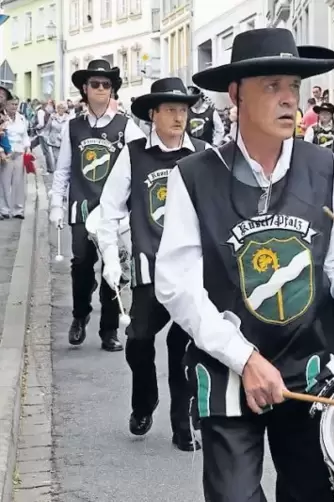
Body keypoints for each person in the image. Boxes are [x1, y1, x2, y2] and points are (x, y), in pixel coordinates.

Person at [154, 28, 334, 501]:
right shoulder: (192, 177)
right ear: (236, 95)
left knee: (311, 495)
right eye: (272, 86)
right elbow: (177, 287)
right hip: (231, 370)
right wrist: (245, 359)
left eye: (293, 87)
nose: (289, 99)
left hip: (315, 371)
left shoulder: (328, 168)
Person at [97, 77, 206, 450]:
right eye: (171, 110)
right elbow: (108, 210)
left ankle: (183, 426)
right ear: (153, 114)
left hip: (194, 272)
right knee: (138, 341)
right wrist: (111, 256)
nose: (179, 117)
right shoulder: (134, 154)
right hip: (150, 269)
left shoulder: (204, 154)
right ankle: (145, 401)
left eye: (183, 109)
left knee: (184, 345)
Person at [49, 59, 144, 350]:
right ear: (85, 89)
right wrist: (55, 202)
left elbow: (142, 164)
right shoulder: (72, 127)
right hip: (81, 207)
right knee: (80, 265)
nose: (101, 88)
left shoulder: (125, 127)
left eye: (106, 84)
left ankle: (109, 330)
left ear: (112, 89)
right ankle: (80, 315)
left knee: (112, 269)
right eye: (95, 84)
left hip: (112, 212)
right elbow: (64, 168)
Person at [0, 94, 31, 220]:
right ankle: (4, 209)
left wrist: (27, 148)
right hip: (6, 154)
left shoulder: (22, 118)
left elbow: (25, 135)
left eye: (16, 104)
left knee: (18, 183)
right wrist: (1, 151)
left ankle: (18, 209)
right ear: (6, 104)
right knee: (4, 183)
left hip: (19, 153)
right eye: (12, 104)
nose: (14, 107)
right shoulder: (2, 118)